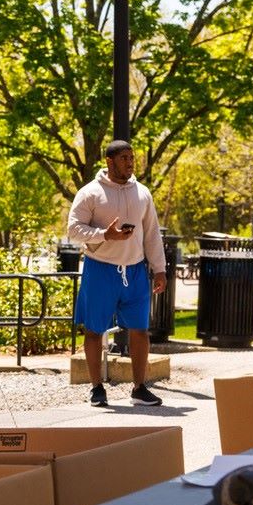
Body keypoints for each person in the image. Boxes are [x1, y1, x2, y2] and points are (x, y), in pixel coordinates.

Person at [66, 139, 167, 407]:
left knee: (140, 331)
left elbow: (152, 233)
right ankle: (97, 388)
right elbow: (73, 230)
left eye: (132, 157)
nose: (130, 162)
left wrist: (160, 269)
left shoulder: (143, 192)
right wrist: (104, 235)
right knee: (93, 331)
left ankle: (139, 387)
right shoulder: (90, 193)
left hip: (135, 271)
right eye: (124, 158)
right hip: (99, 270)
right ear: (109, 162)